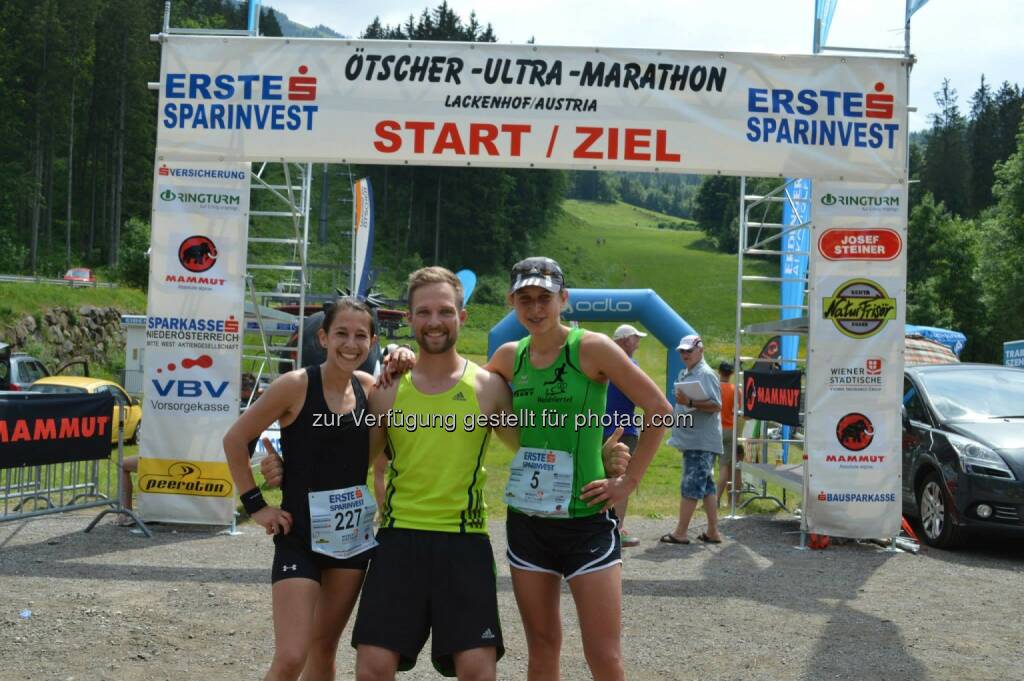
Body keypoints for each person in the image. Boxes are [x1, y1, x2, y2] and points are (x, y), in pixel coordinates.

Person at [486, 257, 672, 681]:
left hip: (586, 520)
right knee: (542, 647)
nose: (535, 308)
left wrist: (629, 481)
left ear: (563, 299)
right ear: (512, 301)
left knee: (603, 657)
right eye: (525, 299)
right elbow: (469, 395)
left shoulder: (591, 348)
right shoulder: (508, 355)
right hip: (528, 522)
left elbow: (659, 408)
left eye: (544, 298)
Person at [223, 297, 412, 681]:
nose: (350, 343)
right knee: (292, 655)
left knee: (323, 649)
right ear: (323, 337)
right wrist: (257, 506)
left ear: (373, 342)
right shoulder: (295, 385)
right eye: (341, 333)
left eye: (361, 335)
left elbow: (413, 384)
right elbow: (235, 439)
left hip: (351, 539)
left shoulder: (367, 388)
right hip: (300, 535)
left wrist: (404, 354)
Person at [661, 334, 723, 545]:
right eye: (682, 351)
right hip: (696, 440)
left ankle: (681, 532)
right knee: (707, 487)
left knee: (691, 486)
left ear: (700, 351)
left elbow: (716, 406)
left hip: (700, 442)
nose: (684, 354)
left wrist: (689, 400)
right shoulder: (690, 372)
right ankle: (713, 531)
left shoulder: (705, 374)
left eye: (689, 350)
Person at [604, 324, 649, 548]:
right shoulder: (629, 365)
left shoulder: (603, 361)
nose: (638, 342)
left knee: (601, 478)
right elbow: (644, 399)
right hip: (624, 430)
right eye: (635, 338)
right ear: (624, 341)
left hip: (599, 429)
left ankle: (602, 526)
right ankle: (617, 529)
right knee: (622, 481)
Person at [716, 360, 745, 508]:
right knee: (730, 467)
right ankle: (732, 502)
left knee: (721, 467)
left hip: (715, 429)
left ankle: (715, 500)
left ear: (719, 371)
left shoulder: (714, 388)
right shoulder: (736, 390)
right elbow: (741, 412)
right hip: (730, 430)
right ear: (732, 373)